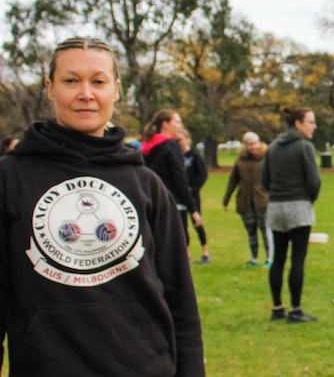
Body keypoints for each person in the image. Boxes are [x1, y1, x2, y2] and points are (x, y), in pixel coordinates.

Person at [0, 36, 203, 375]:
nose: (86, 94)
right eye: (70, 81)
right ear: (50, 88)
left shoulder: (146, 183)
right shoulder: (9, 178)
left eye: (98, 81)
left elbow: (180, 299)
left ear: (116, 89)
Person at [262, 106, 320, 323]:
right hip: (298, 207)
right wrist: (308, 198)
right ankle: (295, 310)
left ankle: (277, 307)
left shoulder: (272, 147)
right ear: (298, 123)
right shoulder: (304, 147)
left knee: (277, 259)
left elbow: (264, 180)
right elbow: (313, 181)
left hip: (276, 207)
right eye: (311, 122)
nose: (314, 127)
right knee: (298, 260)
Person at [141, 109, 202, 259]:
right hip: (173, 204)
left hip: (152, 202)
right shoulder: (170, 146)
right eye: (177, 121)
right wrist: (193, 209)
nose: (180, 125)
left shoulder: (148, 146)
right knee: (176, 250)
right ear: (165, 124)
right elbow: (180, 179)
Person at [223, 131, 272, 268]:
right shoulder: (239, 162)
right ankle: (254, 258)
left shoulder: (266, 159)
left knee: (265, 230)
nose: (253, 147)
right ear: (245, 146)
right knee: (251, 231)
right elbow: (232, 182)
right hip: (245, 201)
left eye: (255, 143)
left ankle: (269, 258)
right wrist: (226, 200)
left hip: (262, 200)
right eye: (249, 144)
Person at [177, 128, 210, 264]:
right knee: (182, 226)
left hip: (193, 196)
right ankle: (187, 254)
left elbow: (203, 175)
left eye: (181, 140)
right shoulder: (176, 156)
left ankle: (205, 253)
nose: (179, 143)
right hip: (180, 196)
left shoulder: (194, 155)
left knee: (197, 223)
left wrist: (194, 188)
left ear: (187, 139)